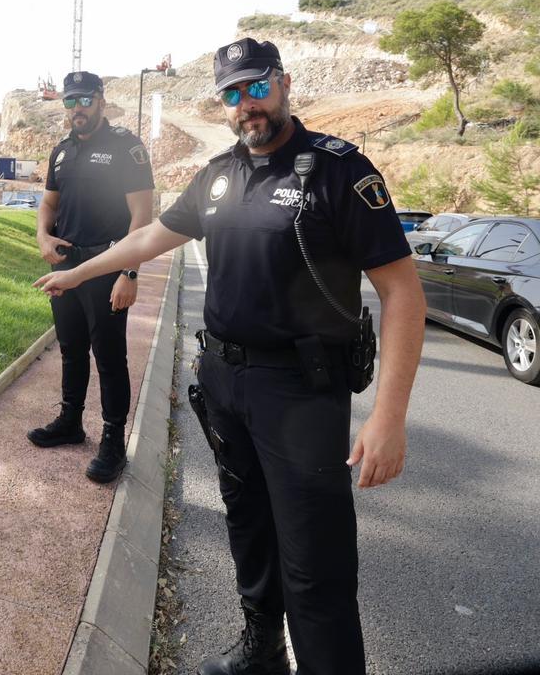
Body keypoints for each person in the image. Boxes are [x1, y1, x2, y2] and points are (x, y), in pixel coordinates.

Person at [34, 39, 426, 675]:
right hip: (223, 381)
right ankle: (262, 648)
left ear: (284, 83)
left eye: (257, 87)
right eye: (233, 94)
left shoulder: (338, 171)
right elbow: (149, 237)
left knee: (315, 560)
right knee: (246, 523)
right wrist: (80, 275)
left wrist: (390, 415)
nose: (247, 105)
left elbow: (402, 291)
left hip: (300, 392)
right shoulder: (218, 175)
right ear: (222, 103)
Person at [29, 70, 155, 484]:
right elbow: (49, 203)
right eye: (70, 102)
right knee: (71, 349)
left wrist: (129, 271)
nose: (77, 108)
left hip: (106, 266)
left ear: (101, 100)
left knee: (109, 356)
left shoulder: (126, 148)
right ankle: (70, 423)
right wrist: (42, 236)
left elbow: (142, 216)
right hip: (65, 266)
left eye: (84, 100)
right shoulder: (61, 151)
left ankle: (114, 441)